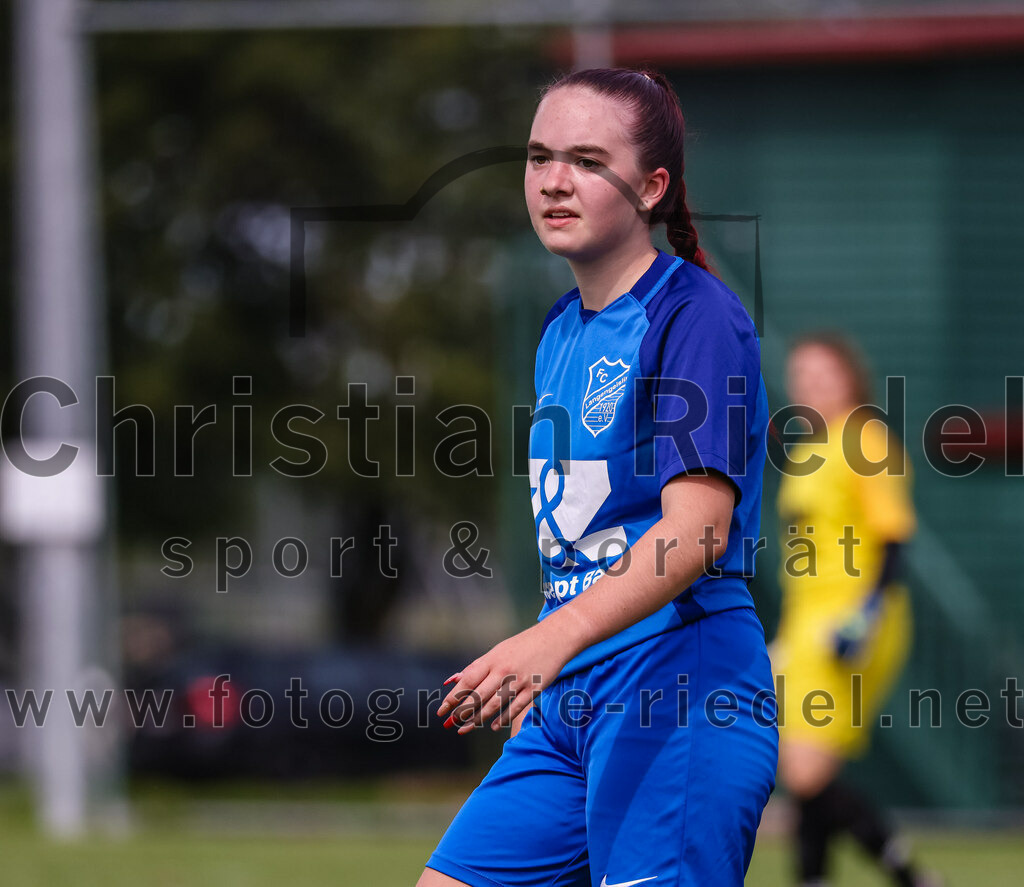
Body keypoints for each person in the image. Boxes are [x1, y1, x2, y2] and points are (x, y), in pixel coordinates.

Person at [418, 67, 777, 887]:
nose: (552, 180)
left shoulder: (697, 317)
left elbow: (695, 532)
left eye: (585, 159)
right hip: (572, 702)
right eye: (540, 156)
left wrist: (549, 638)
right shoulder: (558, 329)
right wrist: (558, 652)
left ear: (652, 187)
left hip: (678, 687)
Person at [773, 333, 939, 887]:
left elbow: (894, 540)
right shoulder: (805, 451)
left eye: (823, 375)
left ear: (849, 378)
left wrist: (864, 618)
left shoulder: (864, 439)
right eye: (802, 377)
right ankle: (902, 873)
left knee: (804, 769)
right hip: (805, 626)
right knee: (801, 774)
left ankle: (908, 875)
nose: (811, 386)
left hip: (850, 621)